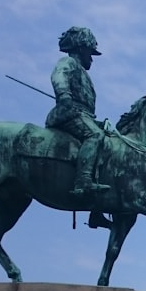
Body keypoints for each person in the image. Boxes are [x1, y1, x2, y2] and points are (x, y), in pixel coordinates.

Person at [46, 26, 111, 198]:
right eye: (90, 52)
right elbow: (58, 76)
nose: (91, 58)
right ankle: (83, 180)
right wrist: (64, 95)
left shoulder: (81, 71)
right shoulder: (68, 63)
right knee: (95, 136)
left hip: (81, 115)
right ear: (81, 49)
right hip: (66, 113)